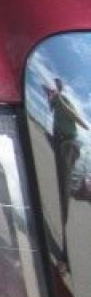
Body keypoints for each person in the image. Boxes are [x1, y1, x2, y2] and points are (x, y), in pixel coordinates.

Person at [46, 78, 88, 228]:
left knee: (69, 182)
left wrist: (60, 98)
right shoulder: (53, 104)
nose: (49, 94)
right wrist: (53, 98)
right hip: (60, 140)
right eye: (48, 92)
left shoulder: (63, 100)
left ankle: (81, 191)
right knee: (63, 178)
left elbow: (76, 117)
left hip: (70, 143)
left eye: (51, 91)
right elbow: (51, 107)